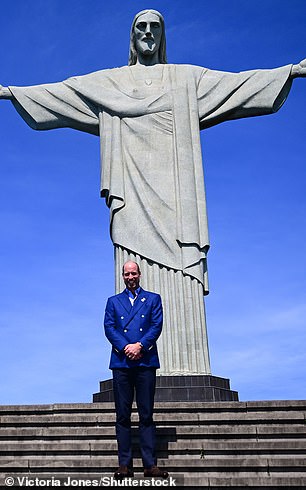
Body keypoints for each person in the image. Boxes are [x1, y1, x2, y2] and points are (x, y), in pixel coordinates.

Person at [0, 10, 305, 377]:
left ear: (163, 36)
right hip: (131, 194)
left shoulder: (185, 79)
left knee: (181, 267)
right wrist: (11, 93)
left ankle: (188, 367)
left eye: (155, 28)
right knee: (131, 265)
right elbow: (64, 92)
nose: (148, 33)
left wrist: (287, 72)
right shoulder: (110, 83)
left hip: (177, 196)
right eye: (141, 27)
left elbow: (237, 85)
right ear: (132, 36)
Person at [104, 260, 168, 479]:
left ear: (139, 274)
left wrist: (140, 345)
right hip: (122, 363)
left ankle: (150, 465)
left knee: (146, 414)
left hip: (145, 361)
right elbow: (109, 327)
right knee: (122, 416)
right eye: (126, 274)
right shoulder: (113, 301)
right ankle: (124, 464)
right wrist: (125, 347)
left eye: (133, 273)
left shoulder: (153, 299)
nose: (130, 277)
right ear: (122, 276)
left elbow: (156, 326)